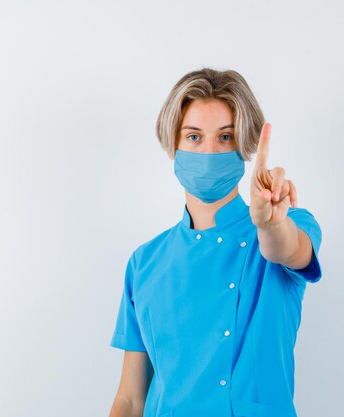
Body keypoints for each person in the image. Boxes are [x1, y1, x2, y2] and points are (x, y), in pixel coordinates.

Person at [108, 68, 323, 417]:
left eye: (225, 137)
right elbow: (131, 399)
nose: (209, 151)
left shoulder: (288, 225)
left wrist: (269, 225)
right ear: (171, 146)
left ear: (245, 146)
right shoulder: (145, 261)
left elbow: (284, 248)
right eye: (193, 137)